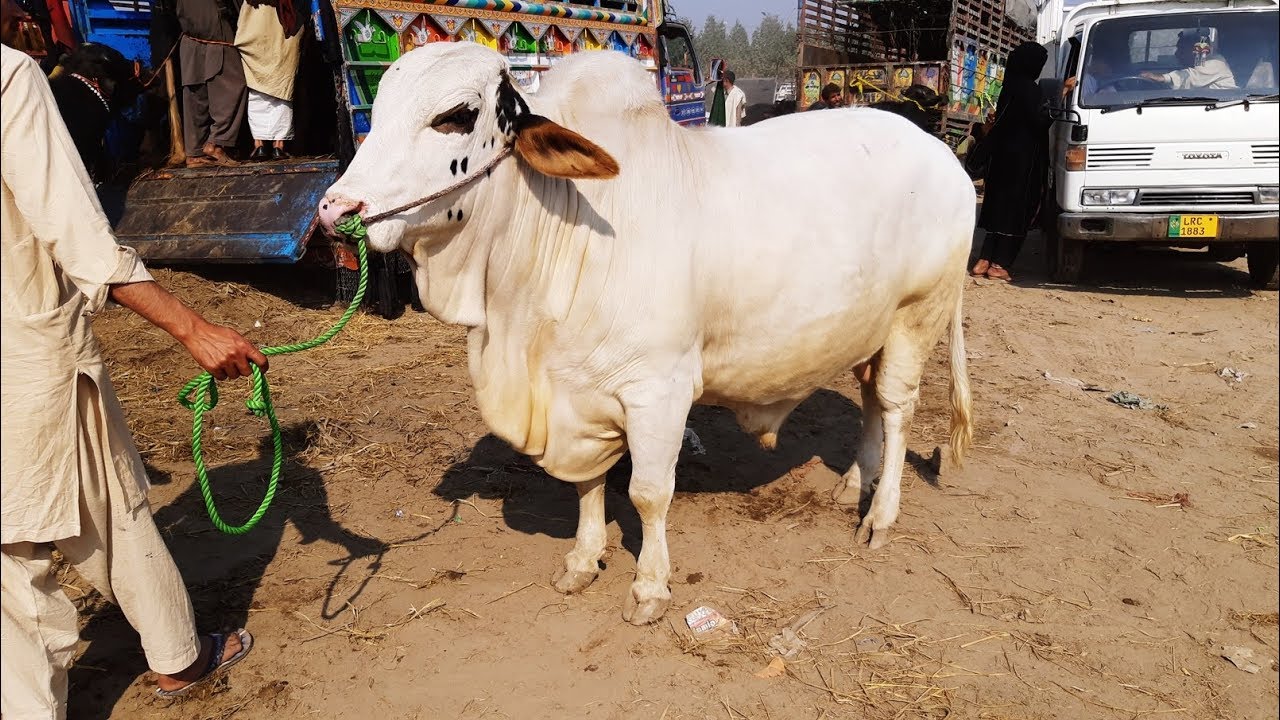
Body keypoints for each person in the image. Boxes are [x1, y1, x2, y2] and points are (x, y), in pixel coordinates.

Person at [1, 37, 266, 717]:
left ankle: (178, 651)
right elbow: (78, 233)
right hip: (23, 347)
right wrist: (191, 327)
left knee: (106, 491)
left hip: (31, 346)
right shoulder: (7, 77)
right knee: (15, 554)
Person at [970, 41, 1051, 282]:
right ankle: (998, 264)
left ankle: (983, 261)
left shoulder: (1010, 86)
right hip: (1022, 162)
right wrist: (1059, 96)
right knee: (1017, 210)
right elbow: (1040, 122)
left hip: (1000, 160)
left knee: (997, 208)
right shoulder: (1030, 90)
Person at [176, 0, 247, 167]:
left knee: (196, 94)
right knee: (234, 84)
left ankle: (194, 153)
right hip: (215, 29)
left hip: (189, 33)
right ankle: (215, 143)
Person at [235, 0, 304, 160]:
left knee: (257, 89)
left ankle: (259, 145)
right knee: (281, 89)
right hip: (280, 33)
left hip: (256, 32)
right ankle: (278, 146)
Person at [1141, 31, 1237, 90]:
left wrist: (1162, 77)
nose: (1177, 54)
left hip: (1225, 105)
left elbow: (1190, 77)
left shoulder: (1216, 62)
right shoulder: (1197, 64)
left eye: (1182, 49)